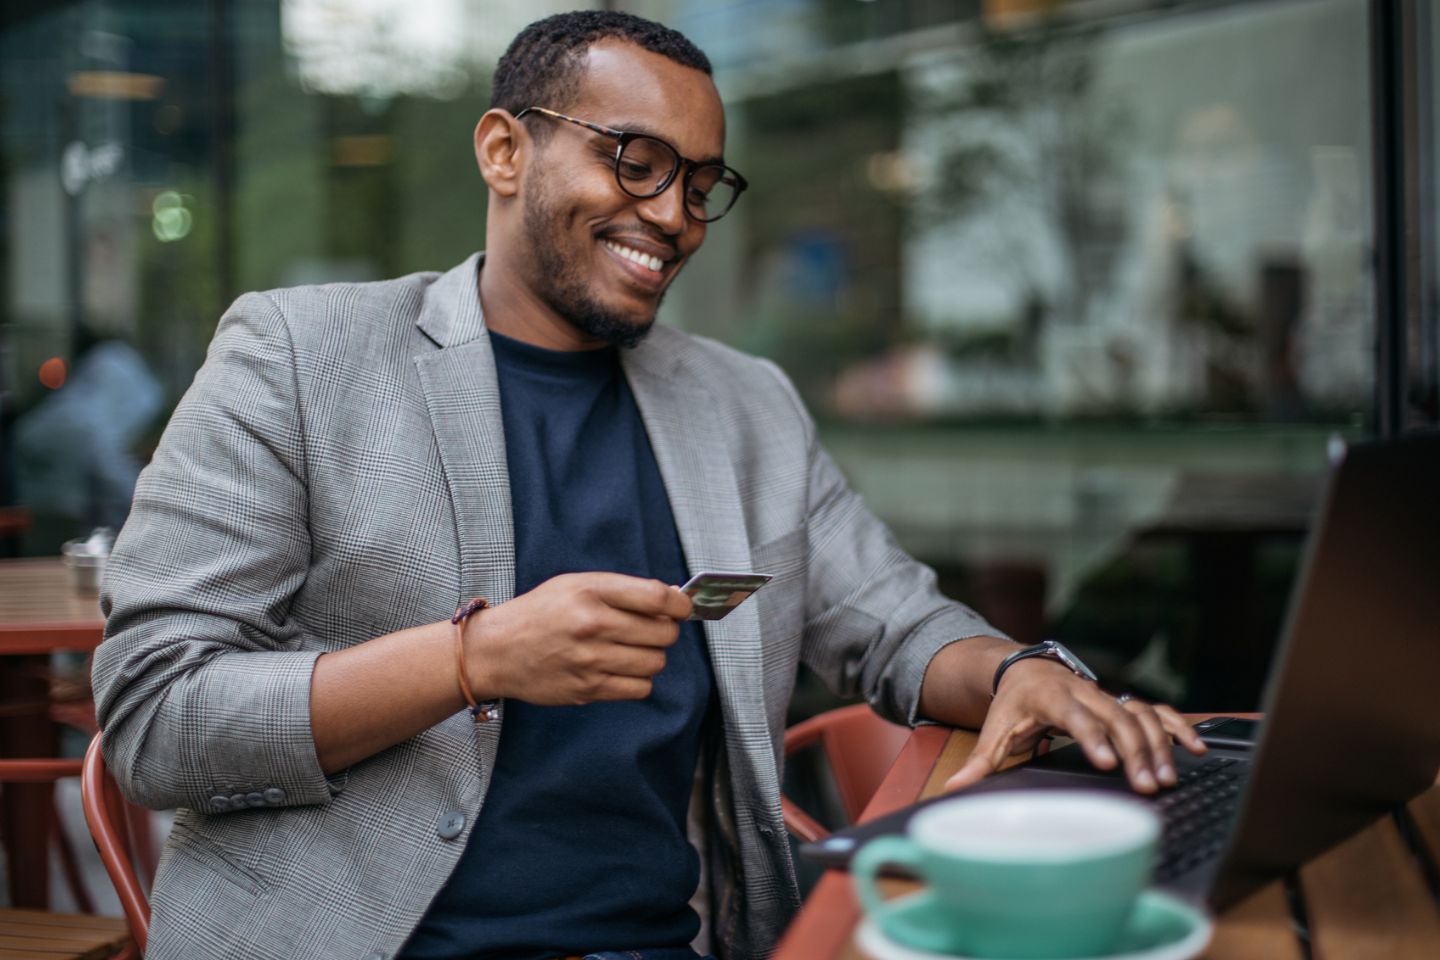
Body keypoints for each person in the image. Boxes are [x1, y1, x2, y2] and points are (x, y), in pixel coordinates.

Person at [92, 11, 1205, 960]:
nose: (674, 216)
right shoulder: (300, 355)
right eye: (635, 159)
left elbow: (894, 620)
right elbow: (158, 719)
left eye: (702, 183)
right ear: (502, 150)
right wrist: (474, 659)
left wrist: (1018, 672)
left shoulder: (743, 402)